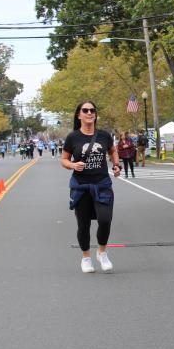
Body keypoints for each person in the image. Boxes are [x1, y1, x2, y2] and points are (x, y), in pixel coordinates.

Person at [61, 101, 120, 273]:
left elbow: (112, 151)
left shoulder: (104, 136)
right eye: (85, 110)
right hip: (81, 187)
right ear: (79, 115)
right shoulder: (73, 137)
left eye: (92, 110)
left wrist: (116, 165)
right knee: (83, 224)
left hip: (102, 185)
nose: (89, 113)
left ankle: (102, 252)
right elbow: (64, 160)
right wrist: (73, 165)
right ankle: (86, 258)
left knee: (105, 220)